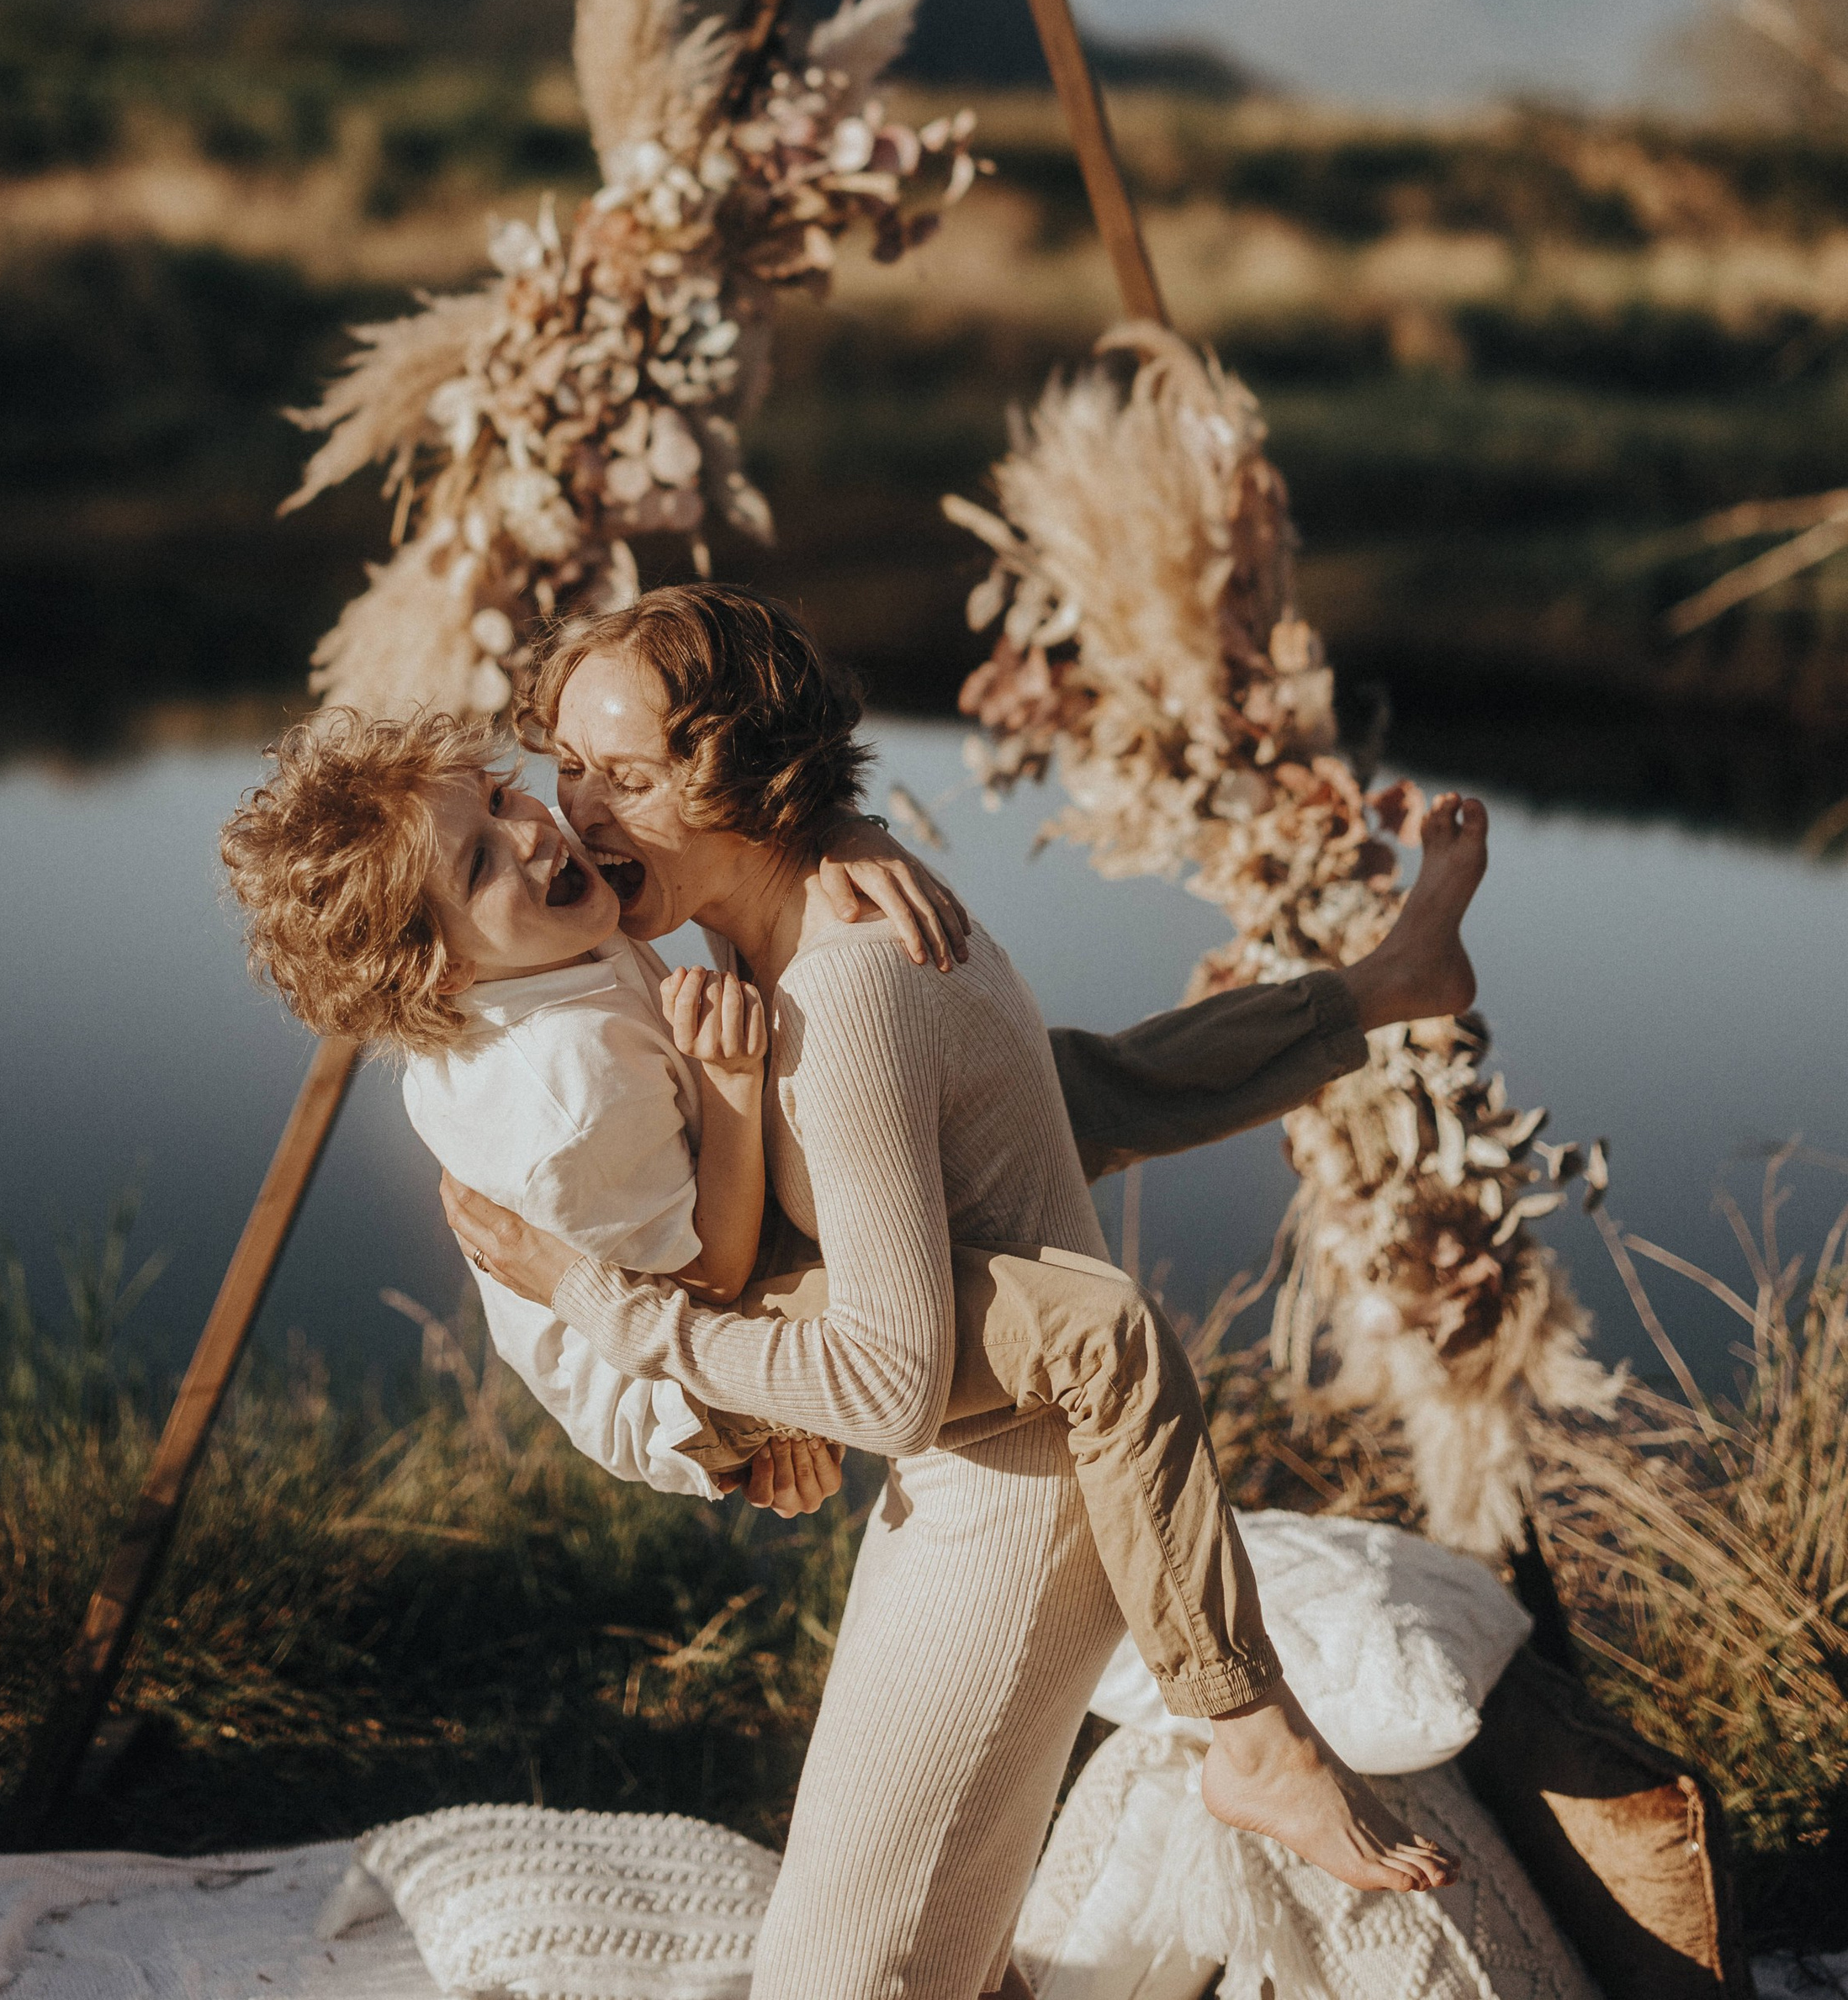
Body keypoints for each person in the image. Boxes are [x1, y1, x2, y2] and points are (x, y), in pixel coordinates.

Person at [223, 590, 1486, 2000]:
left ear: (744, 784)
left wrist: (615, 1262)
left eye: (617, 779)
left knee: (851, 1977)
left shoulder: (834, 990)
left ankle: (1250, 1730)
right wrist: (842, 836)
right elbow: (1059, 1102)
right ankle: (1382, 984)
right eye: (566, 766)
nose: (566, 815)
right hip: (871, 1428)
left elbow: (866, 1366)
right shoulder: (781, 944)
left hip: (996, 1491)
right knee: (920, 1939)